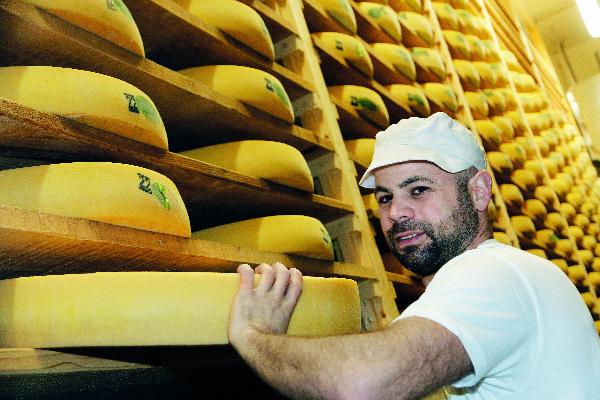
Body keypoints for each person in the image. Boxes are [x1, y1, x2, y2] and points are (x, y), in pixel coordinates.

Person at [227, 112, 600, 399]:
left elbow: (360, 386)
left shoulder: (491, 272)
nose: (396, 212)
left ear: (479, 192)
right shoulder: (519, 272)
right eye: (386, 197)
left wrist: (254, 336)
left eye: (418, 190)